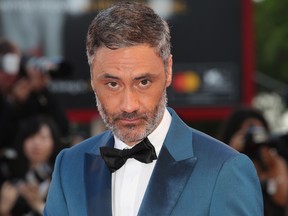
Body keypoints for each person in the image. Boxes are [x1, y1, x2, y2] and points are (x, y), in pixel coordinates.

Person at [44, 1, 263, 215]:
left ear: (168, 71)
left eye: (143, 82)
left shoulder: (224, 170)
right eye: (112, 84)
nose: (129, 105)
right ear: (92, 79)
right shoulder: (69, 166)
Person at [217, 106, 288, 216]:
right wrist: (232, 153)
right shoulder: (220, 164)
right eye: (247, 134)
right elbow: (223, 197)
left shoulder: (273, 162)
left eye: (259, 132)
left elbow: (281, 201)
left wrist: (273, 164)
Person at [0, 115, 62, 216]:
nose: (36, 143)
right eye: (31, 137)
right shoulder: (7, 172)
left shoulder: (60, 177)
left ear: (54, 142)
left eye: (43, 137)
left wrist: (37, 203)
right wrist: (3, 210)